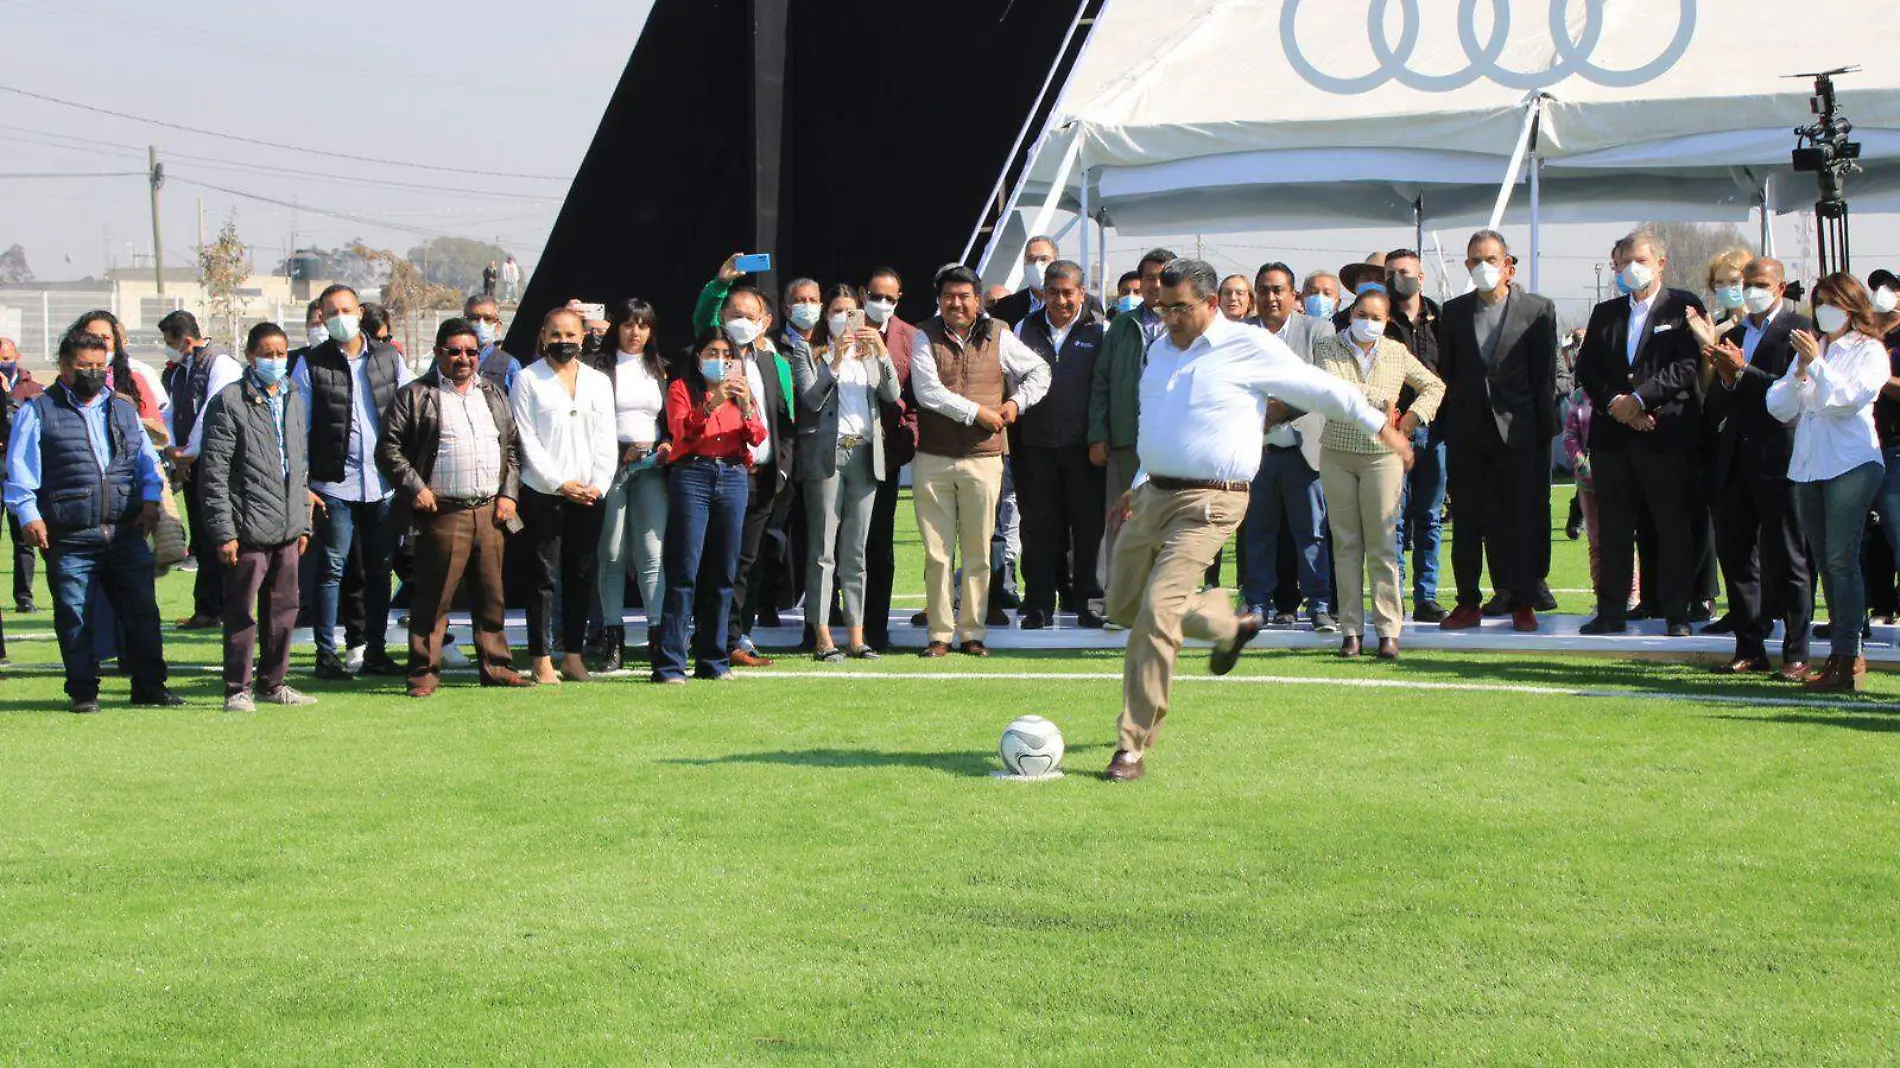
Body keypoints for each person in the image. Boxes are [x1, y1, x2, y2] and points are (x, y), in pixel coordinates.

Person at [1102, 258, 1412, 782]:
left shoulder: (1246, 346)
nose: (1170, 318)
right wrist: (1135, 486)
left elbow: (1321, 389)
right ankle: (1227, 623)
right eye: (1164, 307)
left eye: (1181, 308)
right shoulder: (1158, 351)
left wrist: (1381, 426)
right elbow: (1157, 422)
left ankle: (1131, 747)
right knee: (1123, 605)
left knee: (1156, 612)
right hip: (1154, 493)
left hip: (1213, 500)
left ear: (1210, 303)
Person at [4, 329, 180, 713]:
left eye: (101, 367)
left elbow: (145, 460)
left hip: (125, 529)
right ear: (64, 367)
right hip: (69, 533)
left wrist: (151, 498)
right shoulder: (38, 411)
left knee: (142, 613)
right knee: (74, 615)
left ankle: (149, 685)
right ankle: (83, 691)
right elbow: (20, 472)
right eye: (86, 367)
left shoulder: (122, 408)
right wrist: (29, 515)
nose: (95, 374)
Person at [378, 318, 535, 696]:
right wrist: (414, 487)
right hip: (442, 513)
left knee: (492, 596)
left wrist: (509, 494)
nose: (463, 358)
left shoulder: (494, 394)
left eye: (470, 351)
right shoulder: (415, 394)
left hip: (490, 512)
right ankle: (423, 674)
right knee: (434, 599)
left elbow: (511, 449)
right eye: (454, 351)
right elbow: (388, 448)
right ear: (438, 353)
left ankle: (497, 668)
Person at [909, 264, 1051, 657]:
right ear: (938, 301)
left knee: (977, 551)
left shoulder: (1000, 334)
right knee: (937, 554)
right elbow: (928, 393)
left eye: (963, 296)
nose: (955, 303)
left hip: (984, 458)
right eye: (948, 297)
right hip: (933, 457)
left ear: (977, 299)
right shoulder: (924, 335)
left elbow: (1040, 371)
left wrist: (1015, 403)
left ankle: (972, 633)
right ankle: (939, 634)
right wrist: (977, 413)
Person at [1576, 231, 1706, 636]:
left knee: (1671, 525)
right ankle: (1611, 609)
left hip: (1663, 434)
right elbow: (1588, 368)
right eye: (1622, 262)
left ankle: (1676, 612)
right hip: (1614, 436)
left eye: (1639, 260)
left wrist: (1641, 400)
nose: (1630, 269)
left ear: (1660, 263)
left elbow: (1686, 366)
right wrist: (1619, 404)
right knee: (1613, 527)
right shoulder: (1606, 312)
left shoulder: (1684, 307)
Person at [1766, 274, 1888, 691]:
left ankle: (1846, 654)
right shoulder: (1814, 349)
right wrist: (1801, 371)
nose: (1822, 309)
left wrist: (1816, 364)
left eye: (1831, 302)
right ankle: (1844, 655)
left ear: (1852, 306)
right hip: (1810, 465)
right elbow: (1779, 406)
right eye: (1818, 302)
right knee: (1825, 560)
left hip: (1852, 463)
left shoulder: (1869, 350)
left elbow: (1846, 401)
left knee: (1841, 558)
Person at [1435, 230, 1559, 633]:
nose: (1483, 267)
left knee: (1520, 518)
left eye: (1491, 259)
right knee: (1468, 520)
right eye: (1475, 260)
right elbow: (1447, 376)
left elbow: (1544, 378)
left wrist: (1544, 432)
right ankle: (1467, 601)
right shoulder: (1452, 313)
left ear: (1508, 264)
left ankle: (1523, 600)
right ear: (1468, 266)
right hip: (1468, 432)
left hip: (1519, 432)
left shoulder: (1538, 310)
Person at [1697, 256, 1813, 680]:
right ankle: (1749, 646)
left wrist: (1743, 371)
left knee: (1788, 557)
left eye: (1760, 283)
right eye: (1747, 284)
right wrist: (1726, 377)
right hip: (1735, 460)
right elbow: (1720, 402)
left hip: (1779, 458)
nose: (1751, 291)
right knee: (1736, 554)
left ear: (1780, 287)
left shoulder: (1797, 330)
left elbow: (1792, 392)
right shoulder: (1737, 332)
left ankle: (1797, 651)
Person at [292, 284, 415, 679]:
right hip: (334, 487)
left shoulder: (389, 359)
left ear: (359, 311)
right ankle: (326, 655)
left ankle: (375, 650)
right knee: (331, 570)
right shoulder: (311, 364)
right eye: (331, 313)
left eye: (344, 309)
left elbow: (408, 414)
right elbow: (298, 428)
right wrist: (305, 484)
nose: (339, 318)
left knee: (380, 570)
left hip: (382, 485)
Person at [1314, 288, 1443, 660]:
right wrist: (1384, 401)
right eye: (1361, 314)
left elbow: (1434, 384)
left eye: (1376, 317)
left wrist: (1412, 419)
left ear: (1387, 321)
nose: (1367, 322)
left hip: (1382, 455)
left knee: (1384, 543)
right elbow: (1336, 388)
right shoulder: (1328, 346)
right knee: (1346, 543)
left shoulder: (1396, 352)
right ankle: (1351, 630)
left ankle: (1389, 630)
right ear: (1350, 313)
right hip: (1337, 452)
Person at [197, 322, 318, 712]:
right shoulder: (229, 401)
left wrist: (303, 521)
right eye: (267, 353)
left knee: (284, 611)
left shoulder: (293, 396)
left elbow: (298, 466)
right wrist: (224, 532)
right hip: (247, 527)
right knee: (242, 613)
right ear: (250, 356)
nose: (275, 360)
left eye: (281, 353)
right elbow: (214, 473)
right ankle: (238, 688)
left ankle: (273, 682)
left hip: (286, 527)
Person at [692, 256, 798, 667]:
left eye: (749, 315)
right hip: (721, 474)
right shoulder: (712, 356)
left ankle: (737, 635)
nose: (741, 321)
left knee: (749, 561)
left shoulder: (774, 363)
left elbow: (784, 420)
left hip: (765, 478)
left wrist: (783, 467)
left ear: (765, 321)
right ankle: (711, 636)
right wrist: (719, 284)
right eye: (734, 313)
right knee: (718, 559)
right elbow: (704, 318)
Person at [789, 285, 901, 660]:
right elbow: (810, 399)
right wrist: (835, 361)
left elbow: (891, 393)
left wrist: (882, 354)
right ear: (827, 316)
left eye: (851, 311)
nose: (845, 318)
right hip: (826, 456)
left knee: (856, 550)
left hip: (865, 454)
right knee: (823, 549)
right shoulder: (807, 352)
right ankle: (821, 632)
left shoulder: (869, 352)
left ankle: (856, 634)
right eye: (837, 311)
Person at [510, 306, 616, 684]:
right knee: (543, 577)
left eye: (570, 335)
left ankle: (572, 655)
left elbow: (606, 440)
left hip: (589, 494)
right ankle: (541, 658)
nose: (563, 342)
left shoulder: (598, 382)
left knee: (582, 574)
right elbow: (527, 440)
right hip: (545, 493)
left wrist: (598, 485)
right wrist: (560, 484)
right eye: (555, 335)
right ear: (542, 335)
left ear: (583, 337)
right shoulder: (527, 379)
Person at [654, 329, 766, 683]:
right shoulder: (681, 389)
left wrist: (746, 404)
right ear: (698, 356)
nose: (719, 360)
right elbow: (681, 429)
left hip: (732, 475)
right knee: (684, 570)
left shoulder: (741, 391)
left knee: (722, 572)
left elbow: (758, 436)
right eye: (712, 353)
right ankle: (671, 663)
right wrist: (714, 401)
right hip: (693, 475)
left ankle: (713, 660)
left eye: (726, 354)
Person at [1012, 260, 1107, 630]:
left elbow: (1104, 389)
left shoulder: (1101, 330)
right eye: (1054, 292)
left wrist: (1100, 438)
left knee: (1087, 529)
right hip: (1035, 446)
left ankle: (1089, 602)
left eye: (1069, 292)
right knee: (1039, 528)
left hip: (1084, 448)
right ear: (1044, 293)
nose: (1062, 300)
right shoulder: (1024, 328)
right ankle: (1038, 604)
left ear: (1082, 293)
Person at [1241, 261, 1333, 631]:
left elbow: (1321, 384)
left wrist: (1278, 409)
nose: (1270, 297)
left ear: (1294, 295)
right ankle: (1257, 604)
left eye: (1278, 289)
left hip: (1303, 451)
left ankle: (1320, 605)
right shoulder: (1239, 333)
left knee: (1311, 533)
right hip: (1255, 452)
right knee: (1258, 533)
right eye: (1263, 290)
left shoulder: (1318, 331)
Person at [593, 299, 671, 672]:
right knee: (611, 554)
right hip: (611, 469)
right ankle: (612, 638)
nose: (635, 332)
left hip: (651, 468)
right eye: (627, 324)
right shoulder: (598, 368)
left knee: (651, 554)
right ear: (615, 328)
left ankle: (658, 637)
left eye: (642, 325)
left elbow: (670, 423)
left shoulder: (660, 370)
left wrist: (666, 444)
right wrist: (619, 450)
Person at [157, 310, 244, 629]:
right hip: (191, 465)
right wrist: (170, 446)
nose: (168, 349)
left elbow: (214, 411)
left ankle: (222, 606)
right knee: (203, 540)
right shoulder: (181, 369)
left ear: (187, 340)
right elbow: (172, 410)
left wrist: (189, 451)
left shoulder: (220, 364)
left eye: (170, 342)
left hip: (217, 465)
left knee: (219, 536)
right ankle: (208, 608)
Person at [1382, 249, 1450, 622]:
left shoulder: (1442, 319)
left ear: (1421, 278)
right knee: (1392, 518)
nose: (1397, 279)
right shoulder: (1378, 319)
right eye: (1390, 272)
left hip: (1434, 431)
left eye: (1404, 272)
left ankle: (1426, 595)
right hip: (1390, 433)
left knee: (1429, 516)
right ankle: (1395, 595)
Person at [859, 267, 918, 653]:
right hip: (840, 452)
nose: (882, 304)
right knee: (838, 546)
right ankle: (832, 627)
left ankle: (876, 628)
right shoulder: (842, 325)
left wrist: (908, 437)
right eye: (876, 296)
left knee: (879, 544)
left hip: (886, 454)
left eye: (890, 299)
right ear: (864, 293)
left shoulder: (909, 336)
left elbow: (914, 396)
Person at [1089, 248, 1176, 508]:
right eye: (1149, 277)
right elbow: (1101, 382)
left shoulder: (1191, 325)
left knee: (1170, 519)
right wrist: (1097, 434)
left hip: (1175, 442)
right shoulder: (1122, 325)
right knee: (1126, 519)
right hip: (1127, 439)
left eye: (1164, 277)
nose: (1156, 284)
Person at [1, 338, 45, 613]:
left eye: (6, 357)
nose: (4, 364)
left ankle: (24, 596)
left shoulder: (33, 388)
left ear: (17, 355)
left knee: (23, 535)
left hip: (17, 468)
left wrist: (7, 397)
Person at [465, 294, 520, 392]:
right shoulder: (449, 357)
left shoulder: (509, 365)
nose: (481, 324)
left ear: (497, 325)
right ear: (464, 321)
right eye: (474, 318)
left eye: (488, 319)